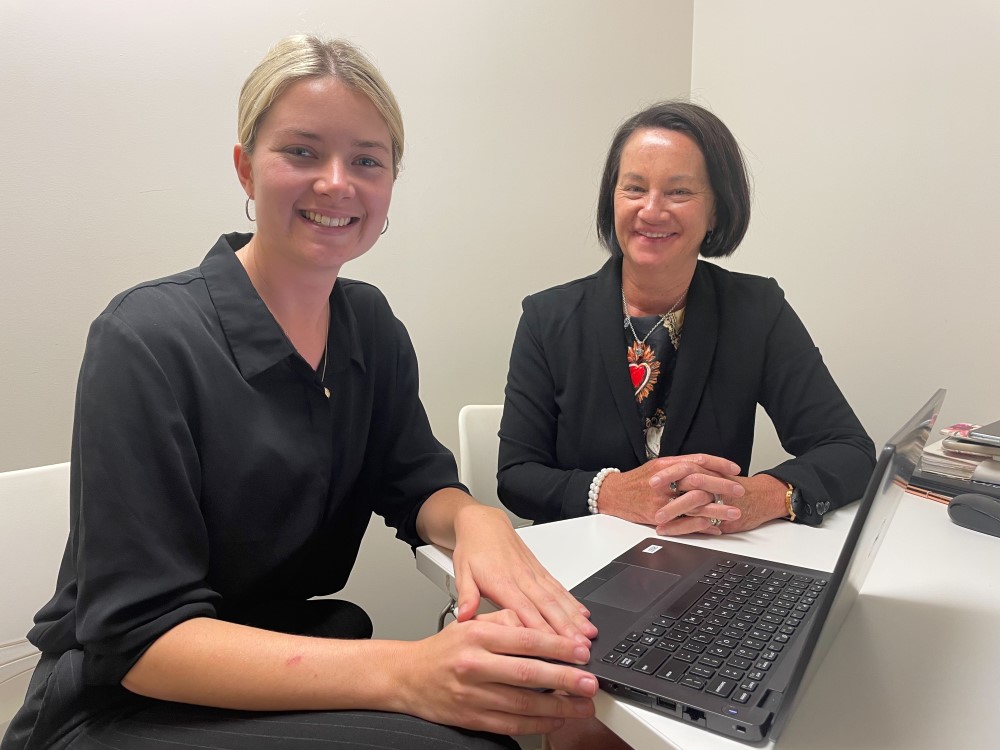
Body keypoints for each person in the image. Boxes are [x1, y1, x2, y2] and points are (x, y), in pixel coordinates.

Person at [1, 36, 601, 750]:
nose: (337, 182)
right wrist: (408, 672)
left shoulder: (370, 326)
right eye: (303, 152)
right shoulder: (146, 339)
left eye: (367, 161)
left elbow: (417, 484)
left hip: (282, 654)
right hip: (123, 699)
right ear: (245, 170)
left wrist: (477, 521)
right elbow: (140, 637)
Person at [498, 101, 876, 538]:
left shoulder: (756, 310)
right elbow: (517, 476)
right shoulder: (548, 318)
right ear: (612, 199)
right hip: (578, 567)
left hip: (706, 564)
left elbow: (849, 450)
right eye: (634, 188)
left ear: (716, 209)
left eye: (679, 192)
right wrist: (609, 492)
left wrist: (764, 495)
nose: (652, 210)